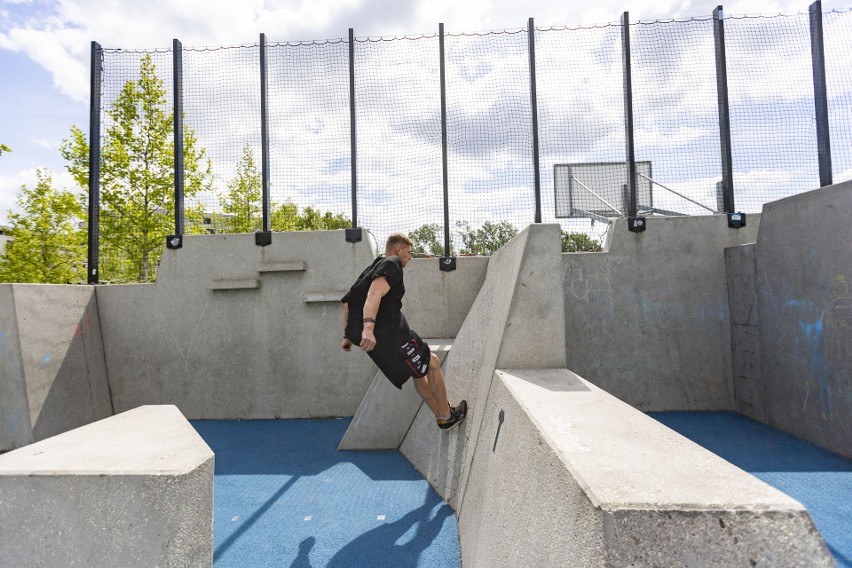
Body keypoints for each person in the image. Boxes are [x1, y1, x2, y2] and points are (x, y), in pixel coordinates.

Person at [341, 232, 467, 430]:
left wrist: (348, 335)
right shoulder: (392, 264)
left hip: (377, 336)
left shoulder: (371, 267)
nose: (410, 256)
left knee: (417, 372)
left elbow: (348, 302)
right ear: (398, 249)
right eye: (409, 252)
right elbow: (374, 293)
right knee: (432, 362)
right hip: (391, 334)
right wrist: (368, 327)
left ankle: (442, 416)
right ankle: (446, 416)